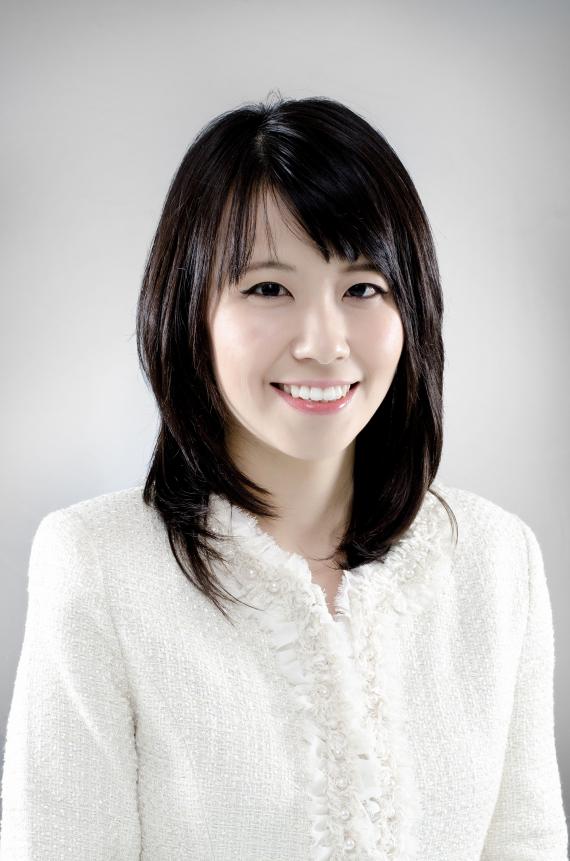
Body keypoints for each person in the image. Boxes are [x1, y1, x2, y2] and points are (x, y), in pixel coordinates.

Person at [0, 94, 567, 860]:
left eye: (363, 288)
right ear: (190, 311)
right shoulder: (98, 565)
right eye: (269, 288)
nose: (324, 343)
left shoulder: (497, 561)